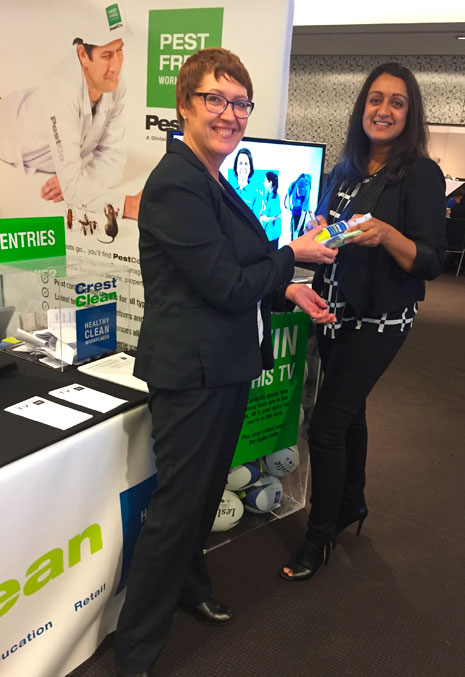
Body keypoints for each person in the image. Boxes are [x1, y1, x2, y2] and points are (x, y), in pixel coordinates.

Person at [113, 47, 337, 676]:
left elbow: (243, 265)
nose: (231, 114)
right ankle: (135, 652)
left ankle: (190, 586)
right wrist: (294, 253)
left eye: (241, 103)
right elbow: (224, 285)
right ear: (185, 104)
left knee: (205, 491)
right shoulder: (176, 183)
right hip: (192, 372)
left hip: (226, 365)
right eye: (216, 99)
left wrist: (287, 284)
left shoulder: (213, 176)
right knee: (180, 508)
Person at [280, 62, 446, 582]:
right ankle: (352, 504)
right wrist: (323, 229)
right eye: (376, 99)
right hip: (334, 307)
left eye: (397, 102)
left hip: (381, 318)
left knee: (326, 424)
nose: (384, 110)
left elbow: (431, 260)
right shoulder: (347, 169)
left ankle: (319, 536)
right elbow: (333, 230)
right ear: (362, 108)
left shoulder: (420, 173)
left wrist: (386, 235)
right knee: (349, 413)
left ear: (409, 114)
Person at [0, 1, 141, 219]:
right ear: (83, 54)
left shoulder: (115, 83)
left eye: (119, 51)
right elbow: (74, 189)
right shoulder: (62, 89)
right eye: (106, 55)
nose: (116, 66)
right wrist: (130, 205)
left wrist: (78, 179)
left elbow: (113, 160)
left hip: (26, 103)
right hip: (6, 126)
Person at [231, 147, 260, 216]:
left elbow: (256, 223)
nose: (243, 167)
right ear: (236, 166)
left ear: (250, 167)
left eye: (246, 164)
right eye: (240, 163)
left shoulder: (256, 194)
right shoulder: (228, 189)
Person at [285, 172, 312, 239]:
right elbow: (288, 193)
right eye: (299, 193)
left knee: (299, 232)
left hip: (301, 210)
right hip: (294, 209)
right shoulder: (293, 185)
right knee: (292, 228)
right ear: (297, 187)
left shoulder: (306, 194)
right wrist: (288, 204)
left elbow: (303, 215)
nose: (300, 195)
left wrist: (297, 231)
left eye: (301, 193)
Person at [259, 171, 282, 249]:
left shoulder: (275, 198)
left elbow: (279, 215)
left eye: (265, 181)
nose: (264, 183)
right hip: (268, 231)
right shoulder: (267, 194)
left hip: (273, 232)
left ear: (270, 183)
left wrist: (267, 219)